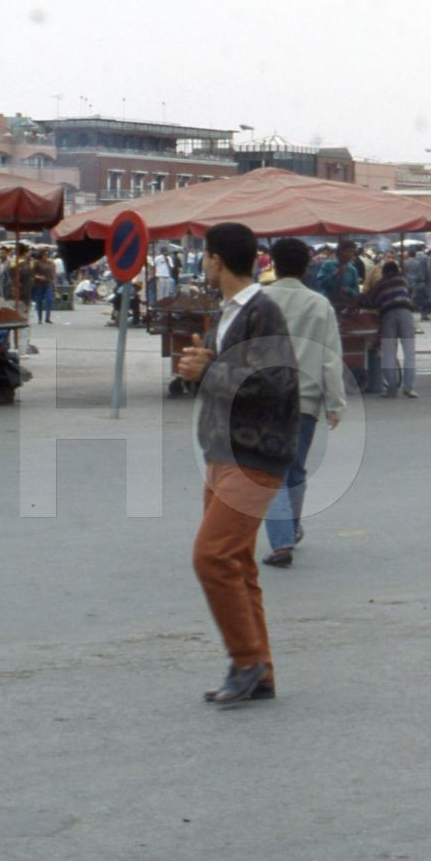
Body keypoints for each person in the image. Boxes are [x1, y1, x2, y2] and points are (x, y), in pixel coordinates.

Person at [173, 222, 300, 706]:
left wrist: (212, 370)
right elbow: (226, 380)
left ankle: (246, 661)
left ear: (216, 261)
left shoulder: (262, 311)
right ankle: (259, 668)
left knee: (212, 556)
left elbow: (277, 383)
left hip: (254, 454)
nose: (203, 265)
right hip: (223, 451)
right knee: (239, 562)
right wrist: (198, 372)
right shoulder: (225, 314)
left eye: (204, 257)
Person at [258, 237, 346, 569]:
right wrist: (334, 403)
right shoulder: (320, 305)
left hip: (265, 399)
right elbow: (331, 358)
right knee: (294, 469)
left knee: (270, 472)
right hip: (305, 401)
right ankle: (291, 529)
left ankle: (282, 543)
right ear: (307, 266)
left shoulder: (260, 299)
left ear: (273, 265)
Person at [363, 260, 418, 398]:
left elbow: (369, 300)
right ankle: (409, 388)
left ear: (384, 272)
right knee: (409, 352)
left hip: (388, 315)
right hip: (406, 314)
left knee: (388, 352)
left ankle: (391, 389)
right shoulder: (403, 280)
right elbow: (410, 294)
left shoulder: (380, 284)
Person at [30, 250, 56, 323]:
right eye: (45, 254)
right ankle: (39, 318)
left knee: (49, 299)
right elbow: (32, 274)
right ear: (41, 255)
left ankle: (47, 318)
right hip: (39, 284)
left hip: (49, 283)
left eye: (47, 255)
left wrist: (54, 283)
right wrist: (38, 277)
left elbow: (53, 274)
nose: (46, 256)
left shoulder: (51, 263)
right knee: (39, 301)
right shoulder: (37, 263)